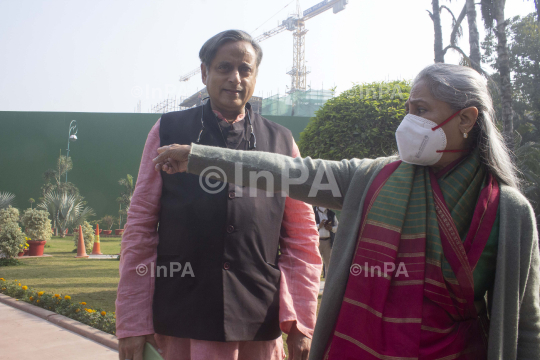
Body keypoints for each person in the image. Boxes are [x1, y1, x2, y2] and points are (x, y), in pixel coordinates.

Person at [152, 63, 540, 359]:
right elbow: (292, 172)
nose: (408, 122)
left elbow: (526, 325)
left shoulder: (509, 213)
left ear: (467, 119)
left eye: (421, 109)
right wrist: (201, 158)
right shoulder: (372, 179)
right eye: (408, 108)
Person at [116, 30, 322, 360]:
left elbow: (303, 239)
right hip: (183, 319)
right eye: (224, 67)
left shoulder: (281, 143)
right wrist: (132, 323)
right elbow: (140, 228)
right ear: (204, 73)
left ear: (255, 76)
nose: (235, 78)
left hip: (258, 319)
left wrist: (301, 322)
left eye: (245, 69)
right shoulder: (168, 131)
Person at [313, 206, 338, 278]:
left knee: (329, 265)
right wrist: (318, 226)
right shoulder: (313, 212)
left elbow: (338, 226)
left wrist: (331, 228)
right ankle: (315, 284)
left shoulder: (331, 214)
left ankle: (327, 286)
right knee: (315, 264)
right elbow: (307, 226)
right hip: (316, 242)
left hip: (328, 242)